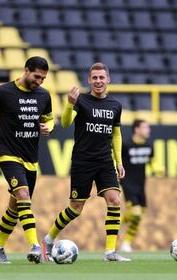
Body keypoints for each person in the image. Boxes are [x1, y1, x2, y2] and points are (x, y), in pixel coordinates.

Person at [42, 62, 131, 262]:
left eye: (102, 77)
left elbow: (116, 134)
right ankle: (49, 239)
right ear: (89, 80)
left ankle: (110, 252)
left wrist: (119, 162)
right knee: (76, 208)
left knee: (115, 200)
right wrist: (70, 104)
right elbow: (65, 123)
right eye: (95, 78)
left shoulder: (115, 105)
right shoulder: (81, 101)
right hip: (83, 161)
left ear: (108, 80)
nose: (98, 81)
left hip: (105, 161)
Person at [0, 56, 54, 264]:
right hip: (8, 155)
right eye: (37, 76)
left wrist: (49, 127)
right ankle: (35, 246)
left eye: (43, 78)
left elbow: (49, 118)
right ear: (26, 70)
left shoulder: (44, 96)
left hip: (31, 159)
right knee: (23, 195)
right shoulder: (2, 92)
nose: (39, 82)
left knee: (16, 207)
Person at [119, 119, 162, 252]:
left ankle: (126, 243)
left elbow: (152, 161)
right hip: (127, 183)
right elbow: (116, 160)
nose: (148, 130)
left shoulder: (149, 146)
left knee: (139, 215)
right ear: (136, 129)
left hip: (141, 184)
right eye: (145, 127)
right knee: (136, 214)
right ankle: (116, 222)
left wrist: (157, 169)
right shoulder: (125, 145)